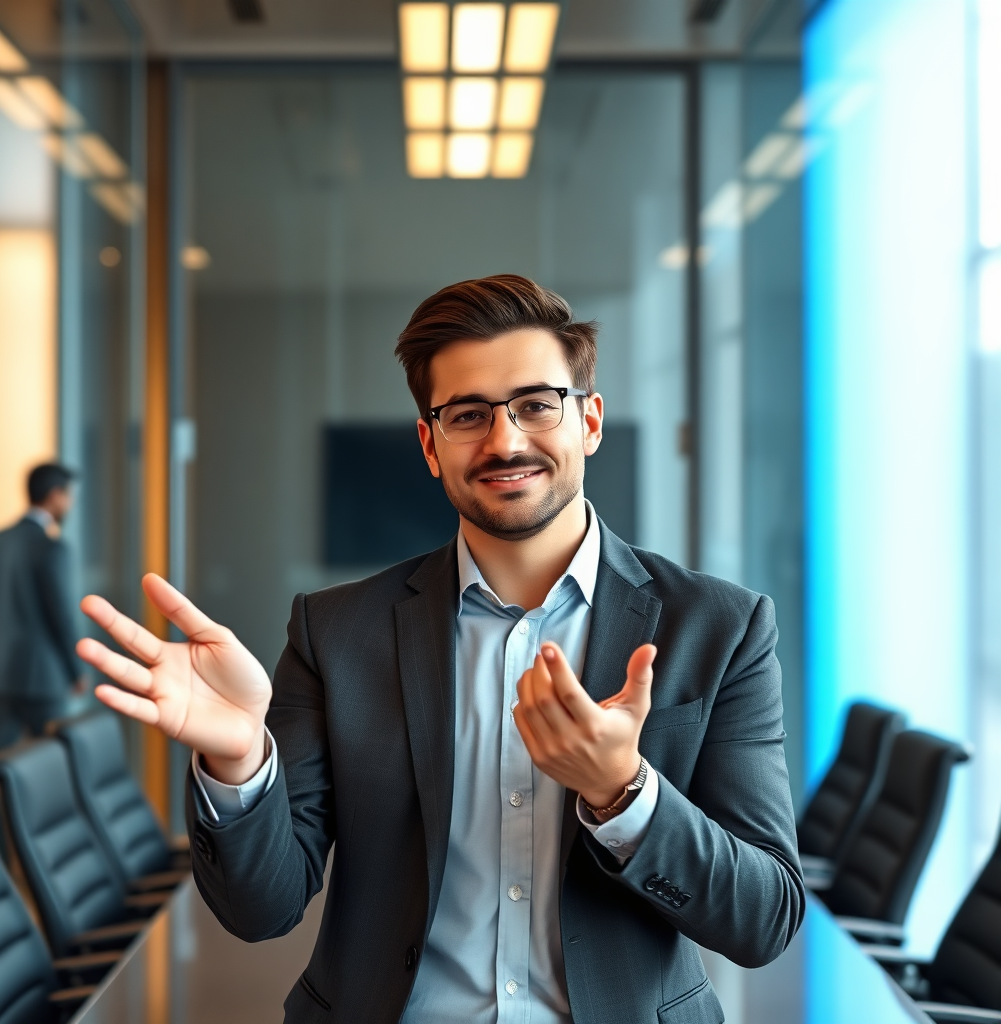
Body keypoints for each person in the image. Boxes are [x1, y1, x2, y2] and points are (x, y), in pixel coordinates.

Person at [78, 276, 804, 1024]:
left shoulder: (720, 627)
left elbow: (763, 920)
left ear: (588, 420)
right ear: (431, 444)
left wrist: (623, 793)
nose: (505, 440)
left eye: (535, 405)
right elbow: (260, 910)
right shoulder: (336, 632)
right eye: (468, 415)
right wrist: (239, 761)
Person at [0, 463, 85, 752]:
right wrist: (77, 671)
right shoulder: (52, 548)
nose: (70, 503)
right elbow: (61, 615)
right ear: (54, 496)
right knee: (52, 760)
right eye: (68, 496)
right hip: (43, 676)